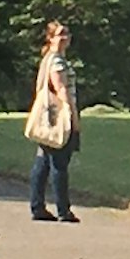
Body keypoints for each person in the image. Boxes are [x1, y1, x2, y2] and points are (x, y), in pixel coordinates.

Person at [23, 18, 82, 223]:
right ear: (50, 38)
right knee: (59, 162)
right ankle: (63, 209)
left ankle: (37, 205)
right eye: (60, 34)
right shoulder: (56, 60)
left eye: (67, 33)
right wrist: (73, 116)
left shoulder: (49, 58)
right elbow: (61, 89)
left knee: (43, 161)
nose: (65, 37)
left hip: (48, 117)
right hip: (57, 117)